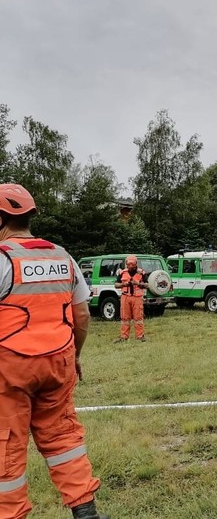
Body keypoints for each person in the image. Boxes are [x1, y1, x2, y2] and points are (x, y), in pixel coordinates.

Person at [0, 184, 108, 519]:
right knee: (64, 437)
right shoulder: (63, 256)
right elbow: (82, 314)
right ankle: (86, 512)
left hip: (9, 370)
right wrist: (74, 355)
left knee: (5, 446)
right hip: (59, 362)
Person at [114, 255, 148, 343]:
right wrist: (124, 284)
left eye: (132, 265)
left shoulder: (142, 273)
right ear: (126, 264)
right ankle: (124, 337)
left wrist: (138, 283)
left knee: (138, 318)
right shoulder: (122, 272)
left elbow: (147, 285)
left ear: (136, 264)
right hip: (125, 297)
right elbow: (116, 284)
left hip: (137, 298)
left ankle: (140, 336)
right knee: (125, 318)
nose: (131, 266)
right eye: (129, 265)